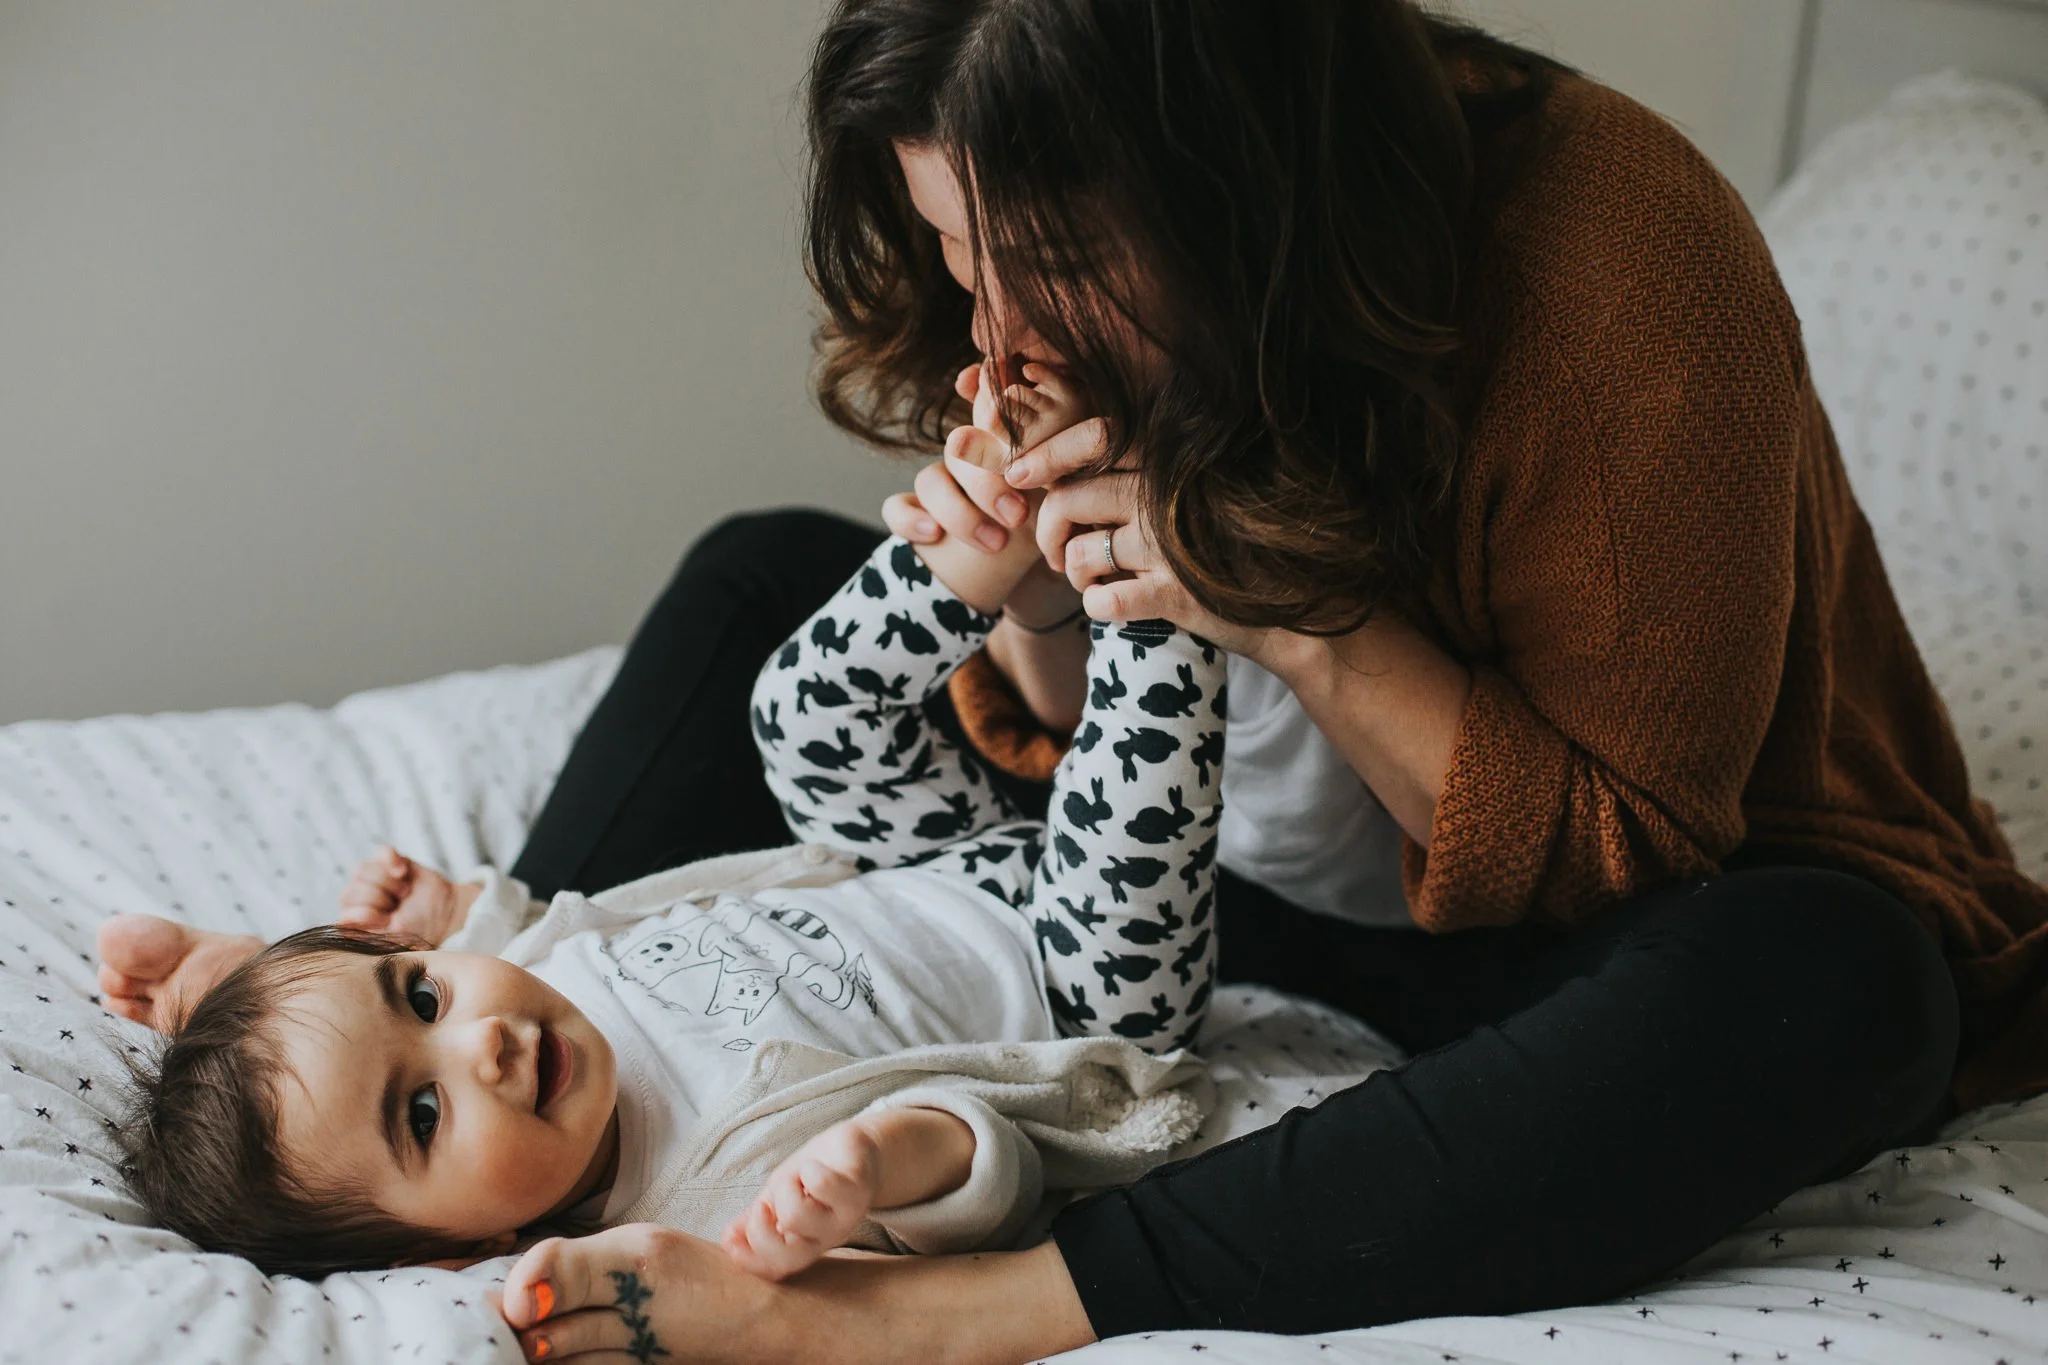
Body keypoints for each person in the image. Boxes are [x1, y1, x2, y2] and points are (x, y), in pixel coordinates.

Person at [398, 2, 2048, 1361]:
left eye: (1040, 259)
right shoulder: (1061, 309)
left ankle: (949, 1311)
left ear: (1238, 202)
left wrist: (1289, 615)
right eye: (958, 254)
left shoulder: (1619, 264)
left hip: (1526, 940)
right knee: (762, 570)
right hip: (1158, 903)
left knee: (1841, 985)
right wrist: (1038, 597)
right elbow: (1073, 753)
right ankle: (464, 977)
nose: (997, 325)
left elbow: (1613, 859)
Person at [100, 366, 1224, 1284]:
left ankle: (988, 542)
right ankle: (1141, 562)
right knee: (1133, 760)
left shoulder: (535, 996)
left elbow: (558, 922)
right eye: (425, 1112)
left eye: (424, 996)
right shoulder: (704, 1205)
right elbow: (1000, 1170)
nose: (475, 1040)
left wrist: (459, 915)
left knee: (797, 715)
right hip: (1079, 980)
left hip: (935, 862)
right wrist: (887, 1166)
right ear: (469, 1252)